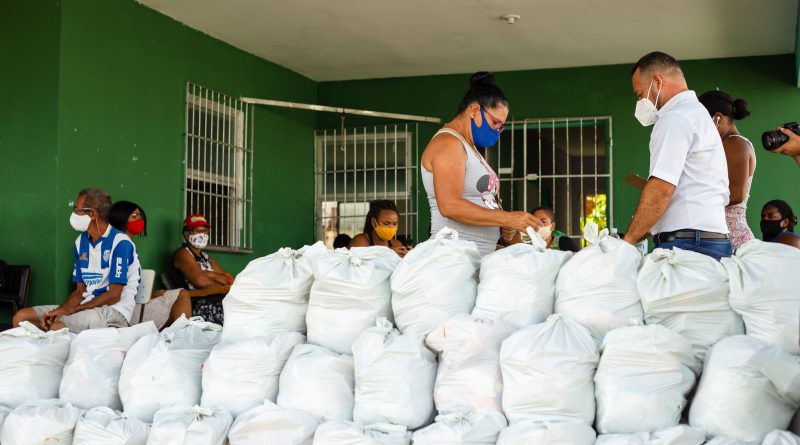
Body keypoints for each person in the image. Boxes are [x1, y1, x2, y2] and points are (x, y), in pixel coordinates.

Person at [622, 52, 732, 260]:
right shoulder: (697, 113)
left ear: (656, 82)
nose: (640, 101)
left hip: (688, 244)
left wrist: (626, 243)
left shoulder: (674, 117)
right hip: (708, 240)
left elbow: (661, 189)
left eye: (639, 94)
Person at [420, 71, 540, 256]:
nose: (498, 131)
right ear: (475, 110)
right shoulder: (449, 143)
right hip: (452, 258)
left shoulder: (469, 147)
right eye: (495, 123)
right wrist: (508, 218)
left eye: (502, 126)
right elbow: (449, 206)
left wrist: (502, 224)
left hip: (474, 255)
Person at [12, 188, 139, 333]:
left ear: (92, 213)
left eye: (77, 209)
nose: (73, 214)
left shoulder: (120, 242)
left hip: (114, 311)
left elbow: (114, 295)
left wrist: (72, 310)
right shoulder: (80, 242)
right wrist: (59, 311)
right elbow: (80, 291)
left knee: (58, 326)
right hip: (87, 305)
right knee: (21, 318)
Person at [108, 201, 191, 328]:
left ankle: (176, 336)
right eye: (134, 216)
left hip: (129, 302)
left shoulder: (123, 243)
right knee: (182, 295)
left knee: (173, 295)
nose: (139, 220)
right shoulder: (121, 244)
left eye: (140, 216)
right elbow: (119, 290)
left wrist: (154, 294)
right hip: (122, 309)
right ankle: (180, 337)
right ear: (121, 218)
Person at [698, 90, 757, 249]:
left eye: (701, 122)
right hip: (721, 237)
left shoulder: (735, 144)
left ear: (717, 118)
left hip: (733, 239)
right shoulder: (724, 145)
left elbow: (736, 194)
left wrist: (693, 197)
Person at [173, 214, 233, 325]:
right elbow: (202, 282)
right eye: (197, 231)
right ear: (187, 234)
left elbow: (227, 279)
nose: (202, 235)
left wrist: (209, 274)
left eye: (205, 231)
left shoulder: (206, 258)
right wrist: (214, 277)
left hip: (217, 302)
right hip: (199, 307)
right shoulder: (183, 254)